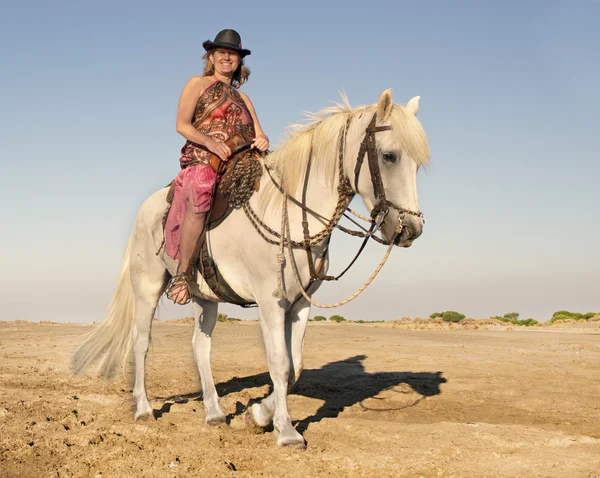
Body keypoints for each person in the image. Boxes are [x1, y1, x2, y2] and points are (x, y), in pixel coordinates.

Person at [163, 29, 269, 305]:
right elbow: (182, 125)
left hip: (242, 161)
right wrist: (211, 143)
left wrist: (262, 139)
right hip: (203, 157)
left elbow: (259, 133)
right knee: (200, 190)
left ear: (238, 62)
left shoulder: (245, 99)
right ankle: (184, 275)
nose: (226, 57)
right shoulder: (197, 84)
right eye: (221, 52)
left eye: (232, 54)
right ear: (211, 57)